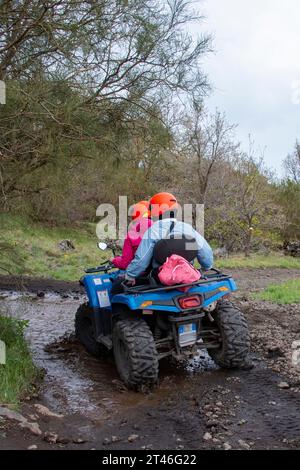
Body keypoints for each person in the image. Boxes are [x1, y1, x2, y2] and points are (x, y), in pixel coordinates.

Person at [124, 192, 213, 285]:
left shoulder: (152, 231)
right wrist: (206, 267)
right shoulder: (187, 228)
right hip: (187, 275)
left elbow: (141, 260)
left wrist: (130, 275)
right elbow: (205, 251)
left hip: (160, 279)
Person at [111, 200, 153, 270]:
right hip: (156, 274)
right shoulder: (162, 230)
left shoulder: (132, 235)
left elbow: (125, 264)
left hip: (139, 275)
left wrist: (114, 260)